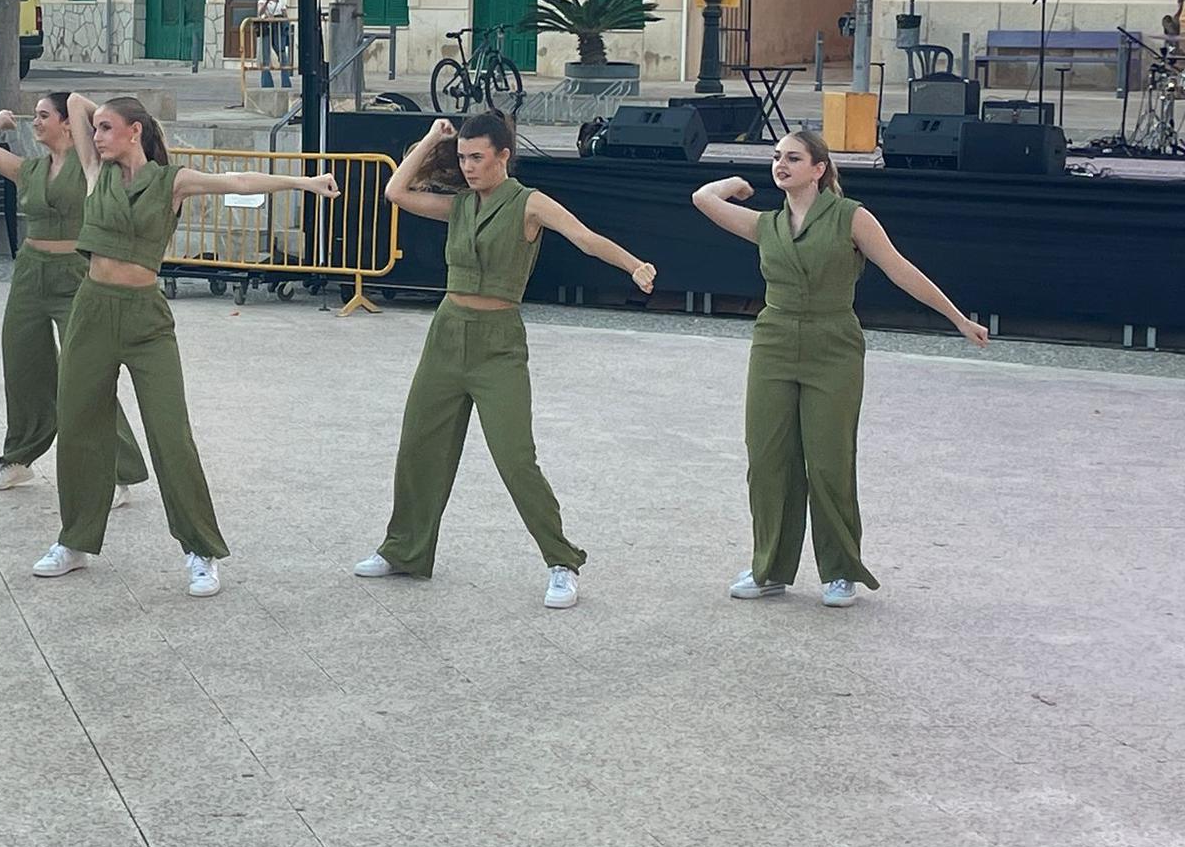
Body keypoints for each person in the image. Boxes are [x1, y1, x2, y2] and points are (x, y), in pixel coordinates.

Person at [32, 95, 339, 598]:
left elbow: (237, 183)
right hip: (91, 310)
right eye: (99, 128)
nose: (98, 134)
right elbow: (75, 102)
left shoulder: (170, 181)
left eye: (109, 128)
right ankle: (75, 540)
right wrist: (108, 115)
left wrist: (304, 182)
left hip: (145, 318)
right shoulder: (95, 169)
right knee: (80, 423)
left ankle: (201, 551)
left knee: (171, 433)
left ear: (135, 132)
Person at [353, 112, 656, 609]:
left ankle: (561, 561)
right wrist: (433, 138)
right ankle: (405, 550)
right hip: (446, 335)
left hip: (498, 344)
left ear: (503, 157)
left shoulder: (529, 204)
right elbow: (396, 192)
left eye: (477, 157)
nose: (468, 167)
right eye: (463, 158)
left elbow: (585, 238)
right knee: (418, 446)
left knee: (516, 458)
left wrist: (634, 265)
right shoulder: (460, 206)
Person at [693, 131, 989, 607]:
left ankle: (840, 570)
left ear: (819, 168)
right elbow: (702, 198)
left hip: (833, 345)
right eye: (776, 158)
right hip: (773, 343)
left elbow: (900, 269)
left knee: (829, 461)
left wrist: (957, 319)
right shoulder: (766, 224)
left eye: (793, 158)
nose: (781, 165)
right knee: (768, 462)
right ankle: (768, 568)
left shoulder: (851, 218)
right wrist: (735, 182)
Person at [0, 97, 150, 502]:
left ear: (68, 125)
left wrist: (92, 118)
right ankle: (18, 458)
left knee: (85, 374)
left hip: (77, 274)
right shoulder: (29, 169)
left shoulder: (95, 168)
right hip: (30, 273)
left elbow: (82, 106)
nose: (35, 122)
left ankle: (117, 470)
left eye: (43, 116)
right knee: (22, 366)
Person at [255, 0, 291, 89]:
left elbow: (285, 14)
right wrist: (267, 0)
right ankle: (267, 83)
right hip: (266, 28)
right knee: (266, 56)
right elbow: (260, 12)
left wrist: (285, 22)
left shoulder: (281, 0)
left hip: (278, 28)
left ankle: (286, 83)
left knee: (282, 55)